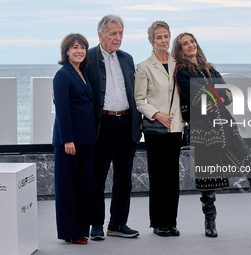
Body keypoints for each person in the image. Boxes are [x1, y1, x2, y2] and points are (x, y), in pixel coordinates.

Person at [172, 32, 251, 237]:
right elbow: (197, 96)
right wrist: (215, 93)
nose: (190, 45)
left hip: (225, 123)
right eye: (185, 44)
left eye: (192, 42)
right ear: (180, 49)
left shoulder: (209, 67)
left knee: (246, 157)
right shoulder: (182, 71)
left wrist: (214, 94)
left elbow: (227, 95)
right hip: (203, 128)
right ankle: (209, 220)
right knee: (207, 173)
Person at [84, 14, 141, 240]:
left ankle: (118, 224)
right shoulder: (88, 58)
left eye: (120, 33)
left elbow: (135, 93)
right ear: (101, 35)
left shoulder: (127, 58)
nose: (118, 38)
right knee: (97, 177)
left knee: (124, 178)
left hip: (126, 123)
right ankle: (96, 223)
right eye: (113, 33)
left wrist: (137, 127)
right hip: (103, 125)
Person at [134, 21, 184, 237]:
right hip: (156, 129)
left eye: (166, 36)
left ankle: (171, 221)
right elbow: (139, 99)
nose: (163, 40)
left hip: (176, 127)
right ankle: (158, 223)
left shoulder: (179, 63)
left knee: (173, 176)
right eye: (159, 37)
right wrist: (156, 114)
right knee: (158, 176)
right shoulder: (144, 66)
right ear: (151, 41)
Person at [52, 33, 96, 244]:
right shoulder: (63, 74)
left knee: (84, 187)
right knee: (68, 189)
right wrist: (68, 139)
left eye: (83, 47)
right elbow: (62, 109)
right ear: (66, 51)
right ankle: (71, 233)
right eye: (75, 47)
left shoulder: (83, 72)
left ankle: (81, 230)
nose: (79, 51)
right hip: (68, 142)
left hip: (86, 139)